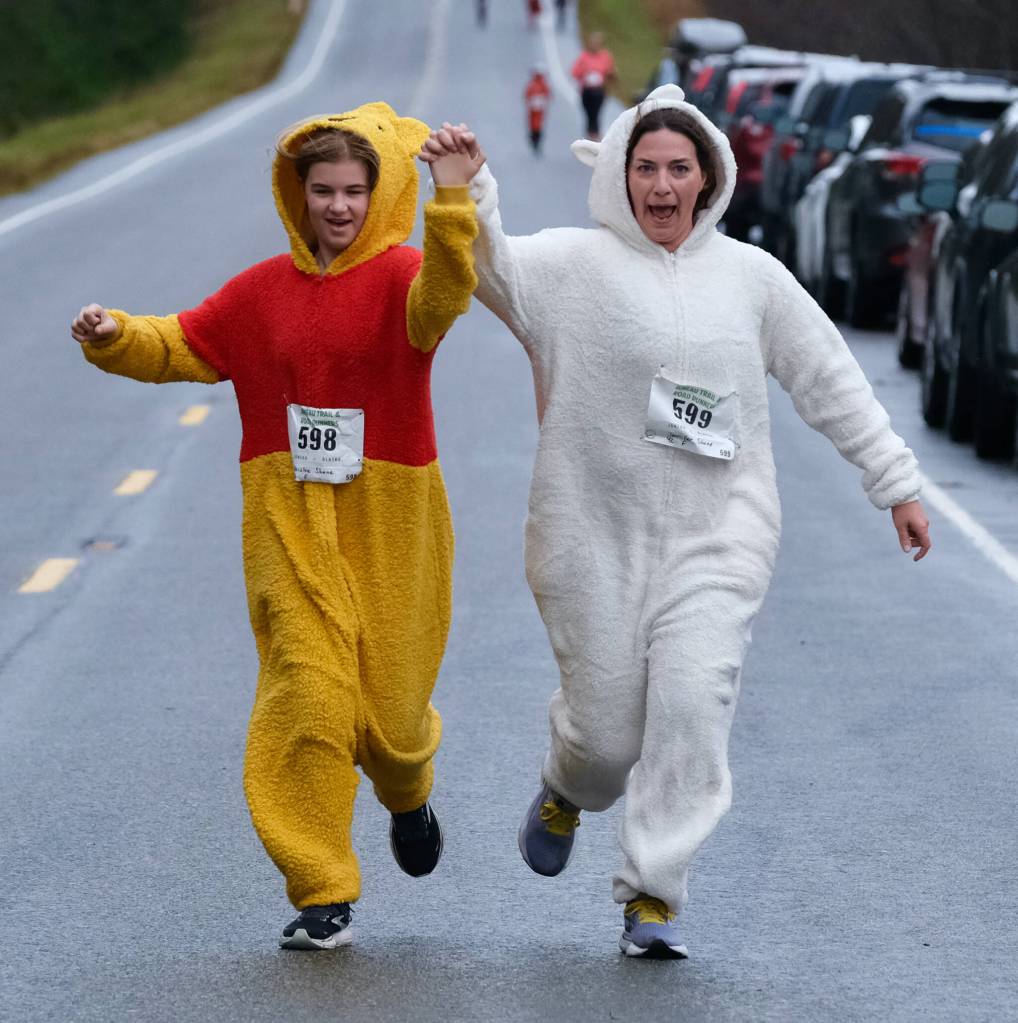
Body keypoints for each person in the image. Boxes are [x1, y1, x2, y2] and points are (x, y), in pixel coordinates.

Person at [420, 87, 931, 960]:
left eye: (679, 169)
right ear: (621, 174)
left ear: (709, 179)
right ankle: (567, 784)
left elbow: (831, 376)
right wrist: (468, 191)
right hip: (592, 531)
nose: (662, 186)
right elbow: (492, 268)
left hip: (720, 532)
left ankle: (653, 893)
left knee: (693, 702)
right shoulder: (574, 267)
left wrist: (896, 481)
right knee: (608, 735)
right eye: (646, 168)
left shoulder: (753, 277)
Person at [70, 102, 479, 951]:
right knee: (310, 696)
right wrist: (116, 336)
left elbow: (445, 297)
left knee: (393, 716)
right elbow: (182, 342)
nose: (337, 206)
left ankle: (408, 790)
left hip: (392, 518)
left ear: (379, 193)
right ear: (298, 198)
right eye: (322, 190)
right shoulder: (261, 293)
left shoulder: (403, 276)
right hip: (287, 522)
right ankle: (323, 885)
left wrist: (451, 200)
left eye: (353, 191)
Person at [570, 31, 616, 141]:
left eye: (597, 43)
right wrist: (585, 73)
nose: (595, 45)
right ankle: (590, 133)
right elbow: (574, 72)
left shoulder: (605, 56)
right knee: (589, 113)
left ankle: (594, 135)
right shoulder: (584, 57)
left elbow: (611, 72)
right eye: (593, 43)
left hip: (599, 91)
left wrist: (609, 75)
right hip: (586, 90)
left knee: (596, 112)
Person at [525, 65, 552, 155]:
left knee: (538, 125)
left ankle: (537, 141)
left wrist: (542, 101)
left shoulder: (543, 85)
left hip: (540, 110)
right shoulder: (532, 85)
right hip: (533, 110)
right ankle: (533, 139)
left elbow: (548, 94)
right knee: (532, 125)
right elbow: (527, 95)